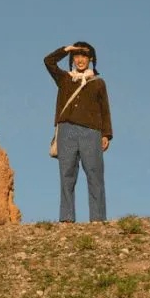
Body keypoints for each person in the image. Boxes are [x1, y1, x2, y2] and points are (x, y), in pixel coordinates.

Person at [44, 42, 113, 222]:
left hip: (92, 132)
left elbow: (105, 109)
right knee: (66, 175)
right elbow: (48, 61)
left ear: (91, 59)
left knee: (94, 174)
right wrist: (66, 49)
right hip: (66, 130)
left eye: (84, 56)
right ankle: (66, 218)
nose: (80, 60)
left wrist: (106, 134)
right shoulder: (65, 79)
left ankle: (97, 218)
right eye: (76, 56)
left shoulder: (98, 83)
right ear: (72, 59)